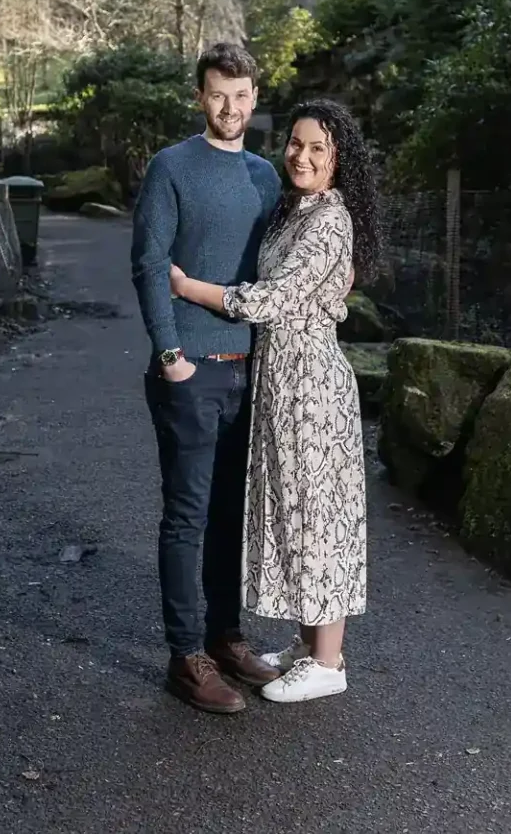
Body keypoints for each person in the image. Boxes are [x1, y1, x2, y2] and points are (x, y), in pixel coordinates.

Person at [169, 98, 381, 704]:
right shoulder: (296, 211)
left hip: (311, 385)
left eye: (319, 148)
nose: (302, 156)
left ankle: (330, 662)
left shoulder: (329, 221)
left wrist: (189, 288)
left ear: (340, 160)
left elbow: (273, 299)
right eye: (296, 143)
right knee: (295, 510)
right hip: (281, 380)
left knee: (318, 517)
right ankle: (309, 644)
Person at [130, 43, 283, 714]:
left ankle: (225, 637)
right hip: (190, 370)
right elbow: (148, 263)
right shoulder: (172, 167)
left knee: (230, 515)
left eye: (242, 94)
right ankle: (185, 655)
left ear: (255, 97)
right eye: (218, 94)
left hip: (250, 371)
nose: (231, 106)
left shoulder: (267, 175)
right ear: (200, 96)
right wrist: (170, 354)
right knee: (187, 515)